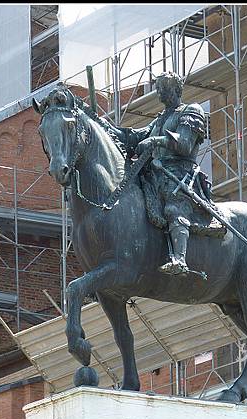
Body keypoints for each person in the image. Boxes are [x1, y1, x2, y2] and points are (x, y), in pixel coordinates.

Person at [101, 71, 207, 275]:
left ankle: (179, 259)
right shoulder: (160, 119)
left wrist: (156, 141)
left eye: (163, 88)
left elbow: (184, 144)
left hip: (178, 173)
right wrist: (106, 127)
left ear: (176, 89)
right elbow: (135, 137)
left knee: (173, 207)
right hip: (153, 174)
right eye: (158, 88)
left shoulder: (191, 111)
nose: (158, 93)